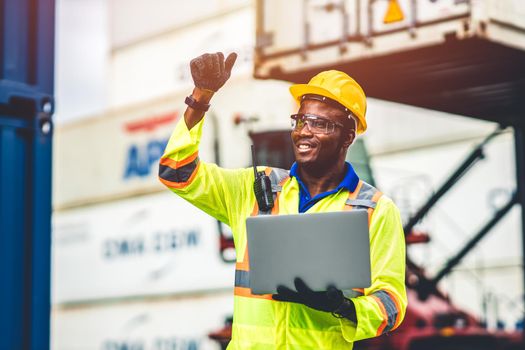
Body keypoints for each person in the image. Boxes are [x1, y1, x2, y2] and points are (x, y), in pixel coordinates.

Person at [159, 52, 407, 349]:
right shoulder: (254, 188)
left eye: (320, 124)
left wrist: (342, 307)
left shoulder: (375, 210)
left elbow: (391, 305)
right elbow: (176, 172)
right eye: (300, 120)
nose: (304, 131)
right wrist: (200, 98)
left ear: (348, 136)